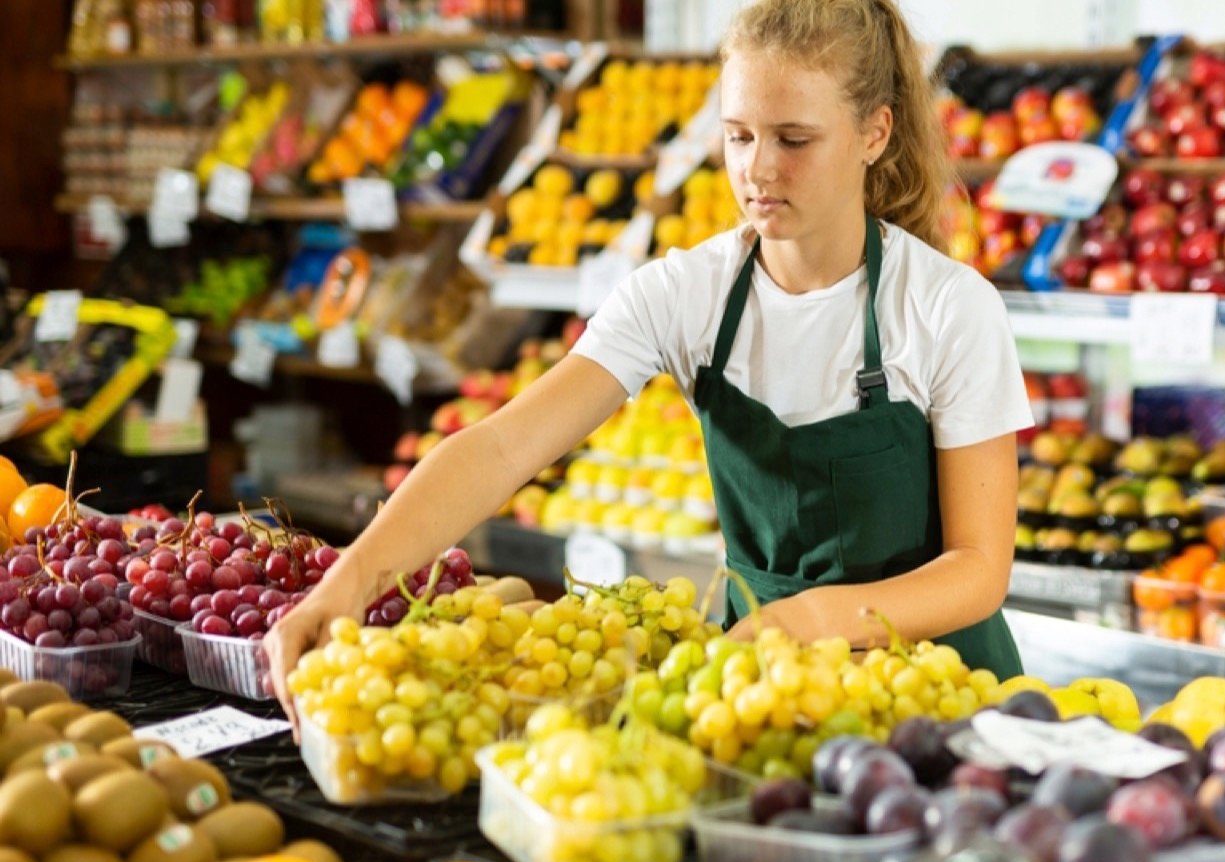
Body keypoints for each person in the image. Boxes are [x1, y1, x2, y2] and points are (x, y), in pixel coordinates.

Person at [266, 0, 1034, 722]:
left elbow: (978, 568)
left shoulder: (947, 307)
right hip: (767, 697)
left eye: (794, 140)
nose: (758, 170)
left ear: (874, 133)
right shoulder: (686, 295)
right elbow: (499, 449)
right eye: (739, 136)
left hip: (942, 699)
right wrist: (346, 584)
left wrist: (814, 619)